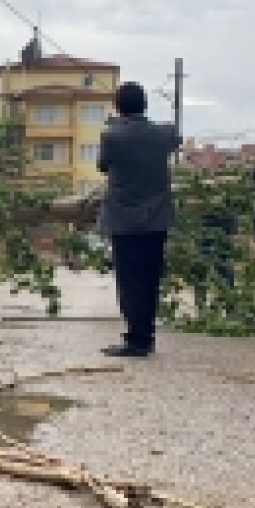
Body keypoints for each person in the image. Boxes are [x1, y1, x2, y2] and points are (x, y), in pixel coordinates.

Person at [97, 82, 181, 357]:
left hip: (125, 219)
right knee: (150, 278)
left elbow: (103, 165)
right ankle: (147, 335)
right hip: (156, 218)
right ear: (145, 105)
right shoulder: (164, 134)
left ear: (119, 108)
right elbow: (174, 137)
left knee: (130, 280)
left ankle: (136, 339)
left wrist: (117, 125)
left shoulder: (112, 137)